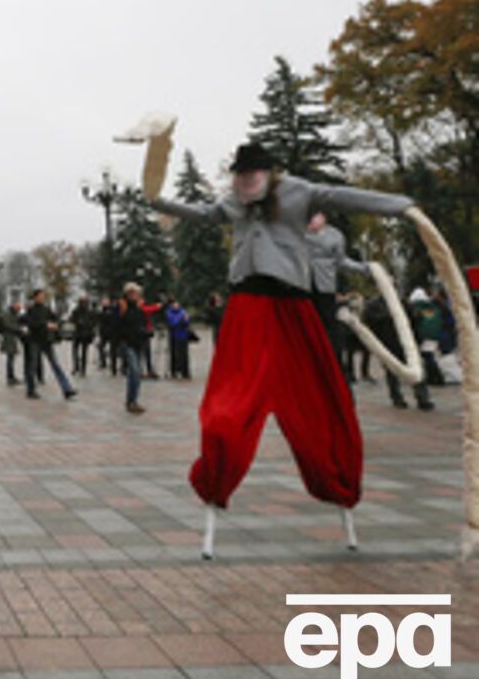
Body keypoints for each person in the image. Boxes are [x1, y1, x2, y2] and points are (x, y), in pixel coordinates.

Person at [150, 141, 415, 514]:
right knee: (230, 401)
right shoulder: (235, 200)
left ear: (267, 173)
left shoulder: (296, 191)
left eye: (251, 173)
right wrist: (158, 201)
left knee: (316, 390)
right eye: (240, 174)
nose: (245, 180)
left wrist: (400, 206)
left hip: (291, 301)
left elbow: (341, 196)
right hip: (247, 301)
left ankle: (335, 475)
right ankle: (218, 472)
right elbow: (205, 213)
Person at [306, 210, 367, 379]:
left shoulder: (335, 235)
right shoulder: (296, 229)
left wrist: (363, 268)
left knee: (330, 330)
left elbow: (342, 261)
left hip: (325, 287)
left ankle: (336, 370)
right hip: (301, 286)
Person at [24, 288, 76, 400]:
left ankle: (67, 389)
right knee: (32, 365)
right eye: (40, 296)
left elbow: (55, 318)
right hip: (34, 340)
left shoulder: (46, 309)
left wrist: (57, 324)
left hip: (46, 340)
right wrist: (45, 325)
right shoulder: (31, 310)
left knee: (55, 364)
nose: (43, 298)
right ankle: (31, 390)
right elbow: (31, 323)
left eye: (44, 296)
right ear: (35, 297)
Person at [117, 283, 148, 413]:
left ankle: (132, 400)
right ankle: (131, 401)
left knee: (135, 373)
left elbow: (141, 325)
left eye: (135, 293)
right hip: (127, 343)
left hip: (138, 343)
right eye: (131, 293)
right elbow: (118, 325)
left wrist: (146, 332)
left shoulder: (139, 309)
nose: (134, 295)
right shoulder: (122, 307)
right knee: (134, 371)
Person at [165, 298, 192, 379]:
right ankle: (175, 371)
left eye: (177, 304)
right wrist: (181, 321)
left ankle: (185, 371)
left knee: (184, 354)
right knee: (175, 354)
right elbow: (172, 323)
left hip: (183, 335)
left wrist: (185, 321)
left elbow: (187, 320)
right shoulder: (169, 312)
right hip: (174, 335)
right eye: (174, 304)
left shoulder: (182, 311)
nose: (176, 305)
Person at [69, 296, 97, 377]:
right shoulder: (76, 311)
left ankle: (82, 369)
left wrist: (87, 325)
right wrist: (77, 322)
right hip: (78, 333)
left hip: (85, 334)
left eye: (85, 302)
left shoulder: (90, 312)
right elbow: (72, 320)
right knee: (76, 351)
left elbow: (94, 322)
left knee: (83, 352)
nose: (84, 304)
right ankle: (77, 367)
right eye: (82, 302)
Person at [0, 301, 23, 386]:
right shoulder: (8, 314)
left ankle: (11, 377)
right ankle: (10, 378)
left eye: (19, 308)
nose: (19, 309)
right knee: (10, 358)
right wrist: (19, 329)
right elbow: (8, 325)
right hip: (8, 338)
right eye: (18, 307)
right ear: (13, 306)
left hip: (12, 338)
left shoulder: (14, 314)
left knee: (11, 358)